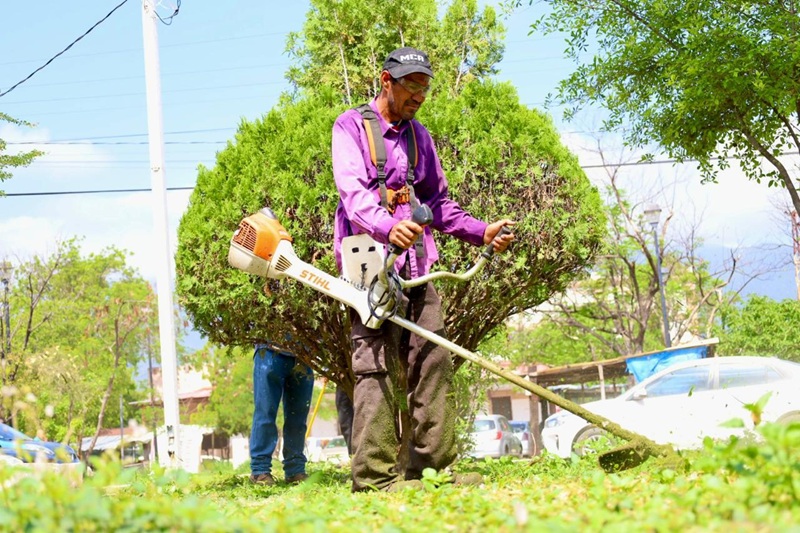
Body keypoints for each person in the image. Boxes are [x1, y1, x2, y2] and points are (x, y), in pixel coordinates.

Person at [331, 46, 515, 492]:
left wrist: (481, 231)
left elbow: (438, 203)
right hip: (370, 268)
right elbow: (353, 195)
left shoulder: (419, 137)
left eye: (425, 87)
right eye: (411, 85)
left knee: (434, 359)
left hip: (418, 266)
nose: (419, 95)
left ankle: (432, 469)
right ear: (386, 80)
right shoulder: (351, 126)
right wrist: (386, 225)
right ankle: (374, 480)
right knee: (374, 366)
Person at [249, 342, 314, 486]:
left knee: (298, 417)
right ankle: (260, 471)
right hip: (269, 350)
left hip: (303, 354)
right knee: (265, 413)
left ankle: (295, 470)